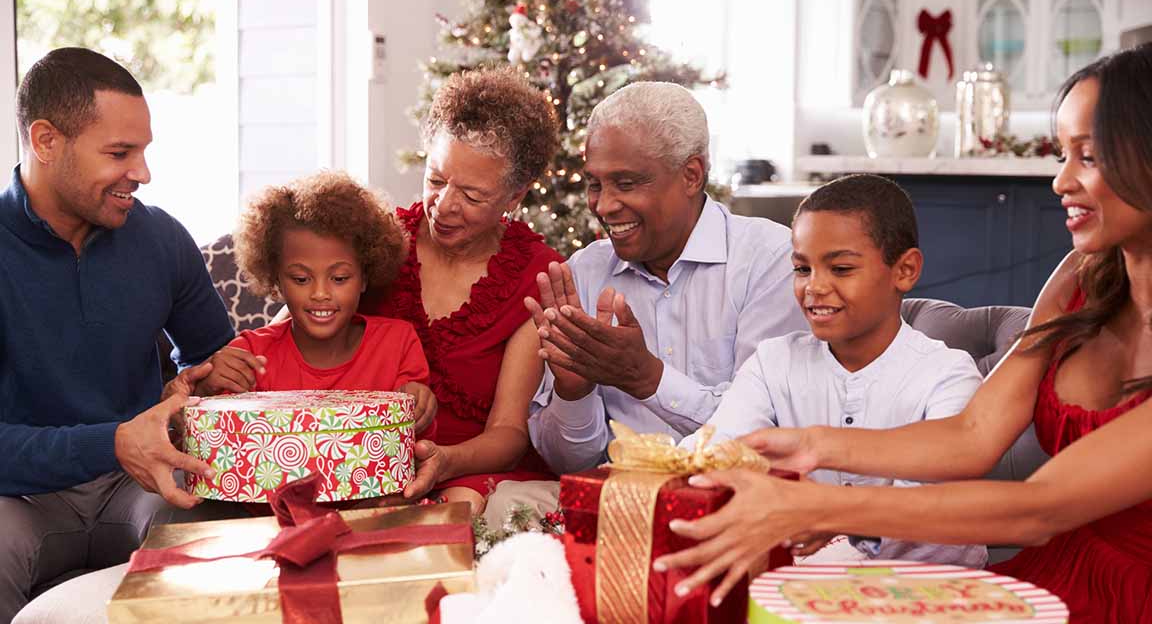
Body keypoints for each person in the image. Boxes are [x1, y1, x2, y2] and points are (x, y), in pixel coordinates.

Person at [654, 44, 1152, 622]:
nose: (1061, 181)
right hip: (1056, 577)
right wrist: (817, 444)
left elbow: (1039, 510)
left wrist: (815, 506)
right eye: (1062, 154)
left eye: (1087, 157)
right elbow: (972, 431)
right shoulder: (1077, 279)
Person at [493, 82, 806, 522]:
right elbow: (571, 465)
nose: (603, 205)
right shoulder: (585, 271)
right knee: (508, 507)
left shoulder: (770, 261)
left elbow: (763, 438)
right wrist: (573, 391)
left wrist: (647, 378)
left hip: (733, 502)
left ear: (691, 175)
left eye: (625, 183)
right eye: (594, 184)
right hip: (615, 502)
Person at [0, 47, 233, 621]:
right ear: (47, 141)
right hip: (21, 497)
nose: (143, 173)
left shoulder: (160, 238)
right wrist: (113, 440)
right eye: (120, 153)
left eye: (144, 151)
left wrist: (202, 387)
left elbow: (216, 360)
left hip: (140, 486)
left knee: (212, 525)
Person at [679, 174, 985, 568]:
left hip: (929, 595)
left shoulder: (947, 375)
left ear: (905, 270)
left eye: (840, 269)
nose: (814, 287)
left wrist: (827, 513)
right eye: (802, 269)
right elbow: (718, 448)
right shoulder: (774, 363)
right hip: (800, 594)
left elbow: (924, 509)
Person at [360, 67, 565, 515]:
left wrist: (445, 461)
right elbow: (284, 336)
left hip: (473, 472)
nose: (445, 206)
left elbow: (509, 433)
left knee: (460, 517)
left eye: (472, 196)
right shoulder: (377, 240)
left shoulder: (537, 275)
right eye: (435, 180)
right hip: (364, 467)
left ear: (515, 196)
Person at [195, 171, 437, 439]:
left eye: (339, 278)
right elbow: (215, 438)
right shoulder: (250, 354)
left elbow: (412, 443)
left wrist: (422, 406)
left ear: (365, 277)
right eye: (301, 279)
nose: (320, 293)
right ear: (276, 279)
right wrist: (204, 390)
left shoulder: (397, 343)